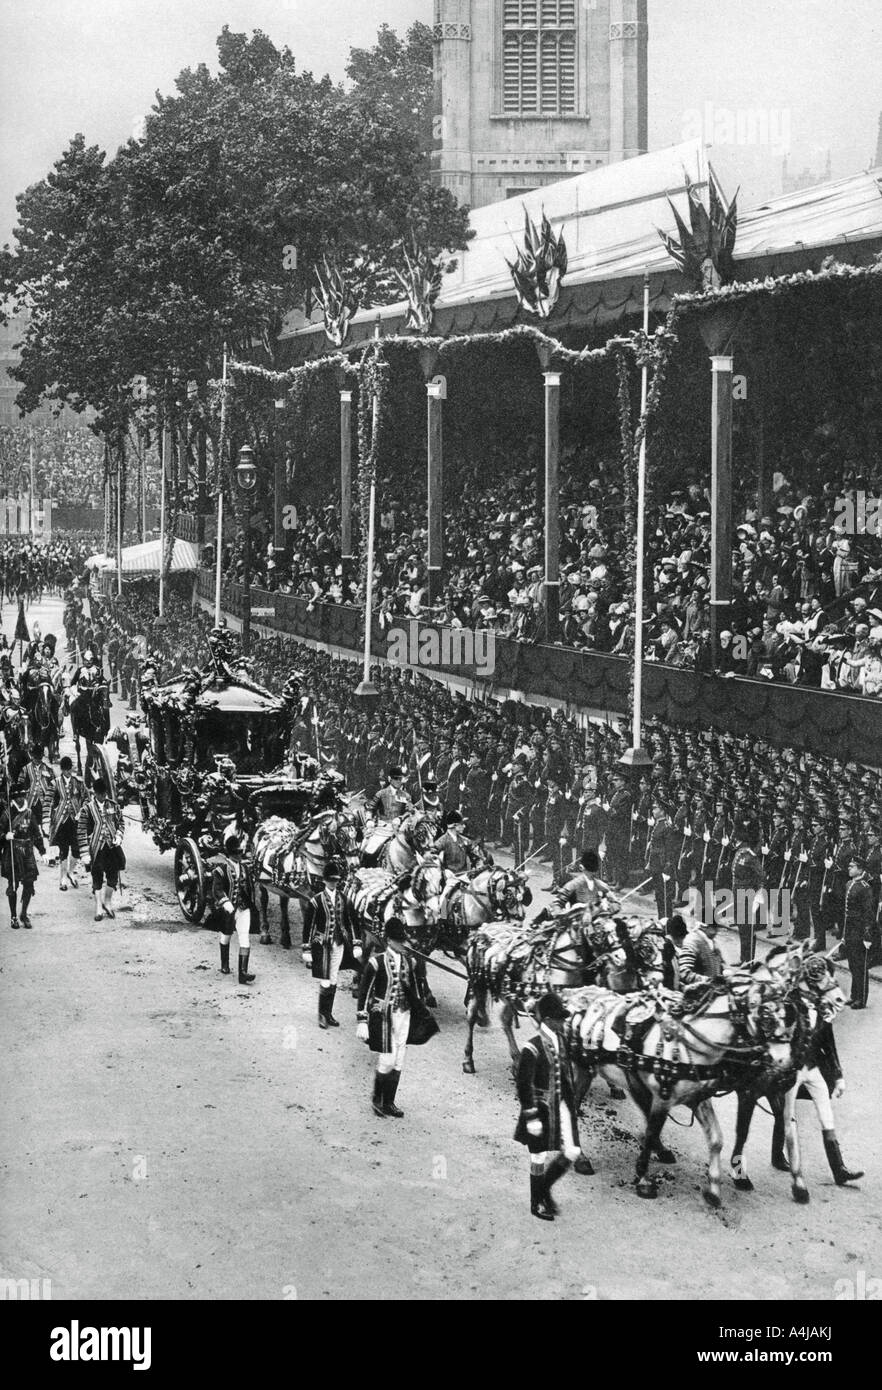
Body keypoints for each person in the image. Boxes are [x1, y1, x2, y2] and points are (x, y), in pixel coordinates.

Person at [514, 992, 589, 1222]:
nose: (562, 1022)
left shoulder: (562, 1040)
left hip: (562, 1105)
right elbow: (523, 1086)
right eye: (558, 1018)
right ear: (547, 1019)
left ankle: (543, 1189)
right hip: (540, 1108)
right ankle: (536, 1203)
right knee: (538, 1156)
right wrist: (531, 1117)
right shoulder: (532, 1047)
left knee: (573, 1151)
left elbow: (566, 1073)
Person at [356, 917, 426, 1120]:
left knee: (399, 1059)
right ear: (388, 940)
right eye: (397, 941)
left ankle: (389, 1101)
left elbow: (415, 986)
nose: (401, 944)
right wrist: (362, 1019)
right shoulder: (376, 962)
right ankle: (377, 1098)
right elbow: (365, 992)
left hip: (404, 1015)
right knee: (387, 1058)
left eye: (402, 940)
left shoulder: (409, 962)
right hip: (384, 1016)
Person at [302, 859, 358, 1029]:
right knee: (325, 980)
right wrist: (307, 948)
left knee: (333, 979)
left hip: (339, 944)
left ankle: (329, 1013)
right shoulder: (316, 901)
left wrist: (356, 943)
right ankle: (321, 1015)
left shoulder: (345, 899)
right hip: (322, 945)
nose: (333, 883)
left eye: (336, 880)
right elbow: (309, 925)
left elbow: (352, 922)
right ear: (324, 881)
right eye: (330, 880)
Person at [210, 831, 258, 985]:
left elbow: (251, 886)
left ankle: (243, 973)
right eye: (237, 852)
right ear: (230, 853)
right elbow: (217, 889)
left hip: (243, 909)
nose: (239, 855)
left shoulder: (245, 868)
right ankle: (225, 964)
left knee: (245, 938)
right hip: (228, 911)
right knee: (226, 937)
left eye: (241, 852)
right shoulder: (221, 869)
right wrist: (225, 902)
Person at [0, 772, 46, 929]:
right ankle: (13, 916)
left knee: (29, 883)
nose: (21, 798)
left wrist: (42, 850)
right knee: (13, 885)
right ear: (13, 798)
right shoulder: (6, 815)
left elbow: (36, 833)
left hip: (27, 852)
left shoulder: (30, 813)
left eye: (23, 795)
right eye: (18, 796)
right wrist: (5, 836)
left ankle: (23, 913)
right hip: (12, 853)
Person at [79, 777, 125, 921]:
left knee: (112, 876)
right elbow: (81, 831)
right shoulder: (87, 809)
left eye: (105, 794)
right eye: (101, 794)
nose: (103, 797)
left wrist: (119, 835)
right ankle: (98, 907)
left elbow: (120, 823)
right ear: (95, 793)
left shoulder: (113, 805)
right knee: (97, 877)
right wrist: (85, 852)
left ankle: (107, 902)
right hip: (96, 848)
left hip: (111, 847)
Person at [50, 755, 86, 890]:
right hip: (62, 822)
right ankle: (63, 878)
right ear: (62, 770)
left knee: (76, 850)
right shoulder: (55, 783)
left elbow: (86, 799)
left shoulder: (79, 782)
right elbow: (49, 801)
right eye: (66, 770)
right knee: (63, 850)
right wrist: (51, 817)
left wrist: (81, 811)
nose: (68, 772)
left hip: (75, 821)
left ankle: (71, 872)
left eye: (70, 769)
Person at [841, 855, 873, 1009]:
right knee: (852, 964)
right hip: (849, 929)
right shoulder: (849, 884)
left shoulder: (865, 888)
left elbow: (868, 913)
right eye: (849, 866)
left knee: (860, 965)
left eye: (852, 866)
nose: (849, 868)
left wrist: (867, 935)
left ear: (860, 869)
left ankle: (861, 999)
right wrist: (843, 934)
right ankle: (854, 995)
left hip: (859, 930)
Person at [678, 915, 726, 986]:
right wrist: (707, 980)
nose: (716, 931)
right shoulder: (692, 941)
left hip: (712, 991)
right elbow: (684, 972)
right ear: (704, 926)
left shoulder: (712, 942)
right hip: (697, 992)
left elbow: (720, 967)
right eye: (714, 927)